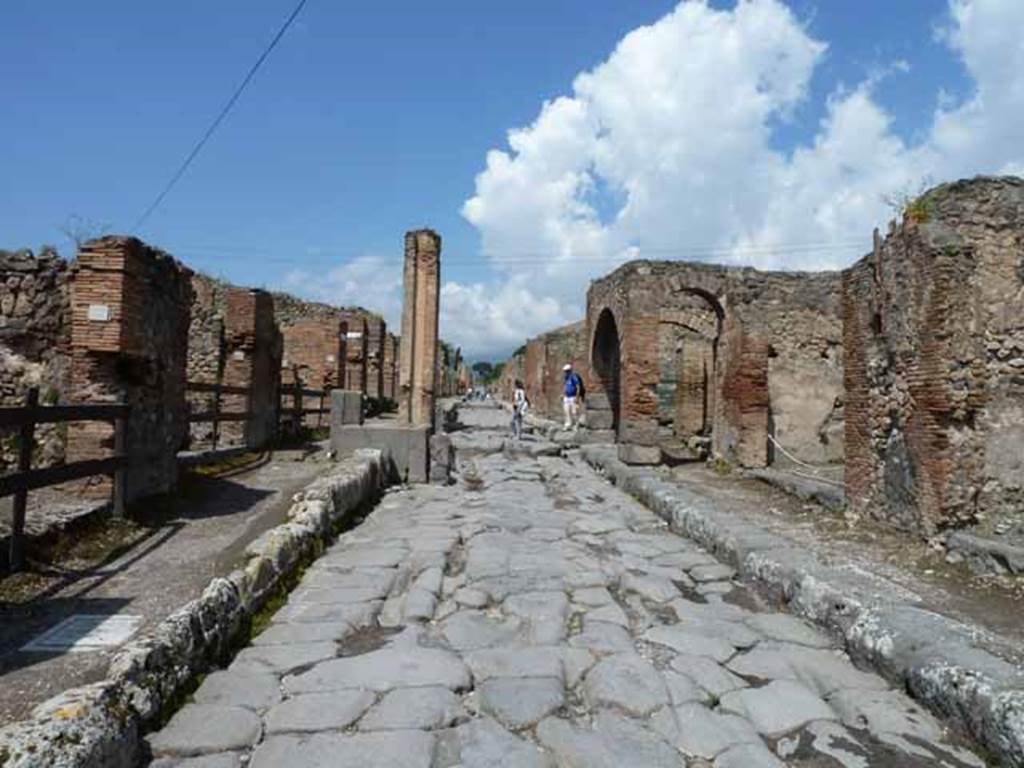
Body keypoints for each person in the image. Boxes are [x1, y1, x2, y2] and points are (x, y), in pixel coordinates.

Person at [562, 363, 584, 430]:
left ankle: (576, 424)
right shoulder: (566, 378)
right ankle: (568, 424)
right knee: (566, 411)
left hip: (573, 396)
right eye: (565, 371)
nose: (566, 372)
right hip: (567, 397)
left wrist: (577, 397)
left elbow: (578, 387)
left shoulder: (574, 377)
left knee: (574, 412)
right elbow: (565, 386)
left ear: (570, 370)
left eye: (567, 371)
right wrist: (563, 394)